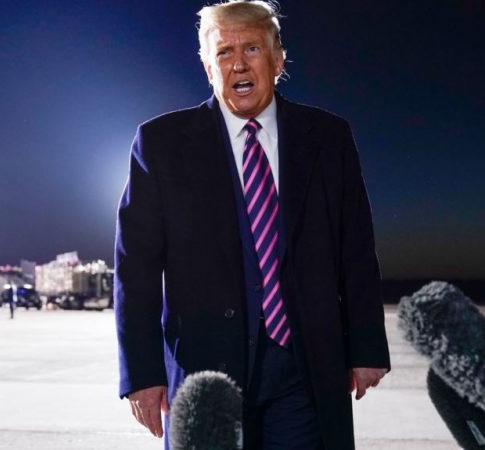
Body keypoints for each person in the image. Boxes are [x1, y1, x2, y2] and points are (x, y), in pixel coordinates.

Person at [114, 2, 390, 449]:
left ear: (278, 60)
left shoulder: (328, 138)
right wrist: (142, 374)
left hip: (305, 369)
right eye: (224, 52)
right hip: (205, 371)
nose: (238, 64)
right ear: (208, 68)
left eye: (253, 48)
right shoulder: (160, 144)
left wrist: (366, 347)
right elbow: (136, 269)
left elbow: (355, 251)